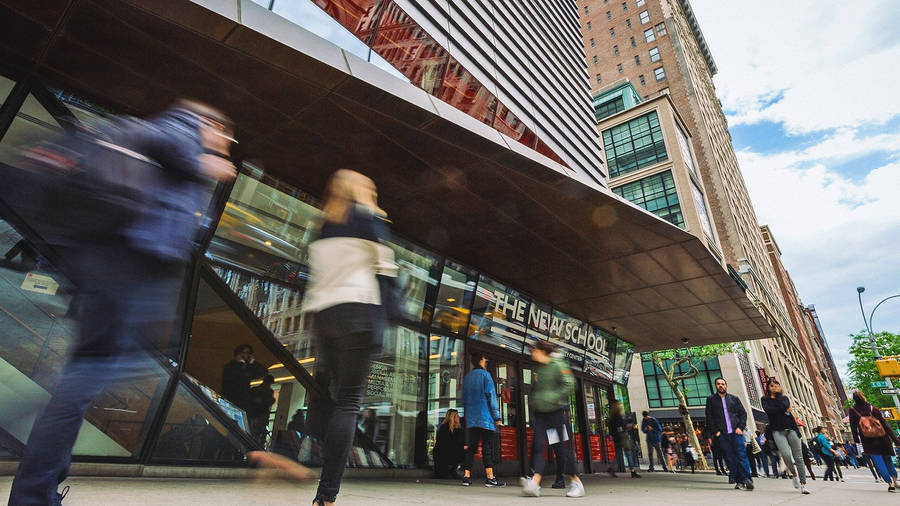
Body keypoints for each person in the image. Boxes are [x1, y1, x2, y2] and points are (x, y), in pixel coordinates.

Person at [8, 99, 237, 506]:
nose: (226, 143)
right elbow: (163, 141)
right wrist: (205, 164)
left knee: (87, 374)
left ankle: (39, 488)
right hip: (130, 264)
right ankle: (33, 489)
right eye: (224, 134)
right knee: (93, 373)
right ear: (209, 123)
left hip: (120, 264)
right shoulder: (181, 127)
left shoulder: (173, 141)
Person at [300, 169, 399, 506]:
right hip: (359, 313)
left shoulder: (323, 224)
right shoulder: (368, 218)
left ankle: (307, 461)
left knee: (332, 399)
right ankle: (326, 495)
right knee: (348, 403)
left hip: (325, 316)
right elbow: (387, 270)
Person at [520, 340, 585, 497]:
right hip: (542, 414)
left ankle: (576, 482)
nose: (531, 352)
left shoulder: (558, 364)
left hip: (557, 412)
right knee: (538, 445)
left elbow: (570, 384)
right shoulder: (538, 369)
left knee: (563, 448)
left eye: (534, 350)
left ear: (542, 351)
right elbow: (534, 391)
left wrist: (553, 398)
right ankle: (535, 483)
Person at [461, 352, 505, 488]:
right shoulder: (486, 375)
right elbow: (491, 397)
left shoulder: (467, 378)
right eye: (485, 359)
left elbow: (463, 399)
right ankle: (490, 478)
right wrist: (497, 416)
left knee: (471, 448)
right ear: (481, 360)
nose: (486, 361)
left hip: (472, 418)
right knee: (487, 448)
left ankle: (466, 476)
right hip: (485, 418)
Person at [760, 378, 809, 494]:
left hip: (791, 428)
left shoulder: (784, 398)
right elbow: (768, 410)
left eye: (776, 385)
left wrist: (779, 400)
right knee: (786, 455)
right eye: (771, 385)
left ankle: (803, 484)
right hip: (777, 430)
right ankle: (794, 474)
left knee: (799, 457)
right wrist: (783, 409)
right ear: (768, 388)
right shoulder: (764, 399)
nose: (774, 387)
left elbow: (783, 407)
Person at [704, 377, 753, 490]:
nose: (721, 385)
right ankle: (739, 481)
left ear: (726, 386)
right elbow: (709, 417)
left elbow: (743, 414)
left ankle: (748, 480)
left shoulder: (734, 399)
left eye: (723, 384)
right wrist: (716, 432)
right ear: (716, 386)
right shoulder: (711, 400)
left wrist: (740, 427)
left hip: (736, 433)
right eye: (718, 384)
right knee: (730, 458)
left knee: (742, 456)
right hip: (723, 435)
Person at [848, 389, 900, 492]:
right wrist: (896, 440)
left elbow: (853, 426)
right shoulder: (873, 409)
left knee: (878, 462)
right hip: (883, 438)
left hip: (868, 440)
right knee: (888, 460)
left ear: (854, 399)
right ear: (863, 397)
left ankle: (890, 485)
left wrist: (856, 440)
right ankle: (895, 481)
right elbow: (885, 425)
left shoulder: (852, 411)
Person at [221, 344, 267, 410]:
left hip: (244, 401)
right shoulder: (230, 366)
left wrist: (253, 362)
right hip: (231, 399)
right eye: (244, 353)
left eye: (248, 353)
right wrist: (240, 363)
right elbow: (237, 378)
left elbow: (263, 373)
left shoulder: (248, 367)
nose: (247, 355)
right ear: (239, 354)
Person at [609, 400, 641, 478]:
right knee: (628, 453)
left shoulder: (612, 417)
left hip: (617, 438)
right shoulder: (618, 416)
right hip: (622, 437)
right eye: (620, 405)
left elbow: (612, 429)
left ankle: (612, 469)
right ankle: (632, 471)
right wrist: (627, 427)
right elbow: (620, 427)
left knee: (618, 455)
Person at [433, 409, 465, 479]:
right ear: (452, 417)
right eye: (457, 416)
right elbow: (447, 444)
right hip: (443, 453)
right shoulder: (445, 428)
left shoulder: (457, 428)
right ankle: (450, 470)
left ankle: (451, 470)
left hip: (448, 452)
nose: (459, 417)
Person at [247, 374, 276, 444]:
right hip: (261, 416)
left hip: (253, 415)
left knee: (252, 433)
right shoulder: (268, 391)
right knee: (258, 434)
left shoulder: (255, 389)